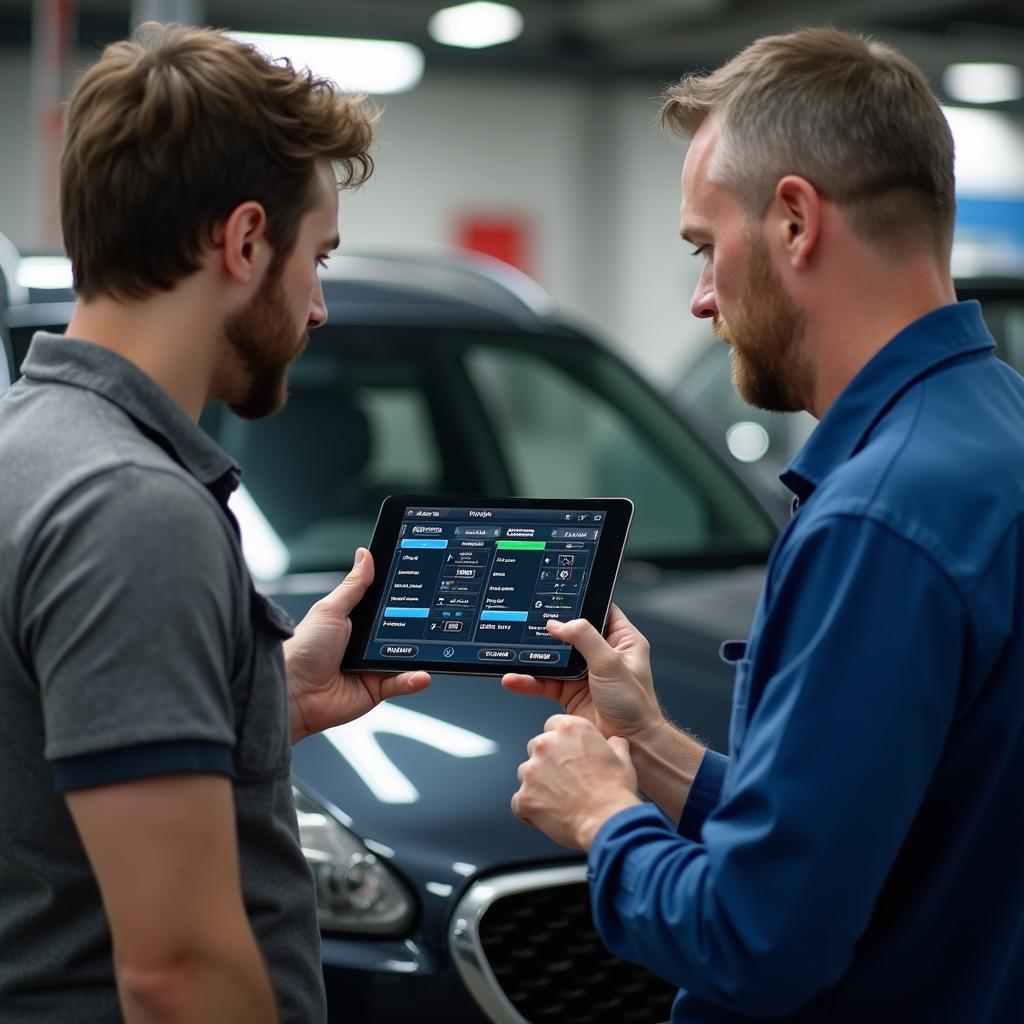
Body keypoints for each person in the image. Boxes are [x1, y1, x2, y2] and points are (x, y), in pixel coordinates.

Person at [507, 26, 1024, 1023]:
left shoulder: (878, 519)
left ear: (793, 220)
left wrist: (604, 818)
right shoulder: (994, 435)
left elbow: (758, 939)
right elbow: (866, 833)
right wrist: (649, 744)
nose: (702, 297)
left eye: (705, 247)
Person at [0, 23, 429, 1023]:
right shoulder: (131, 506)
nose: (317, 305)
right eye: (314, 257)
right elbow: (178, 971)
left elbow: (40, 768)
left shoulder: (28, 447)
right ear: (242, 241)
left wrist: (263, 702)